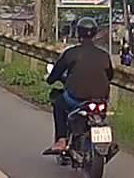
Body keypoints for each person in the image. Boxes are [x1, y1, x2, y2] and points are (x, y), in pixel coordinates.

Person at [45, 17, 114, 153]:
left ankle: (61, 140)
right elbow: (110, 76)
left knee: (59, 103)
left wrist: (51, 79)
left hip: (76, 99)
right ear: (95, 33)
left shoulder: (71, 53)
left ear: (78, 33)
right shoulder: (104, 55)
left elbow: (55, 74)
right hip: (101, 100)